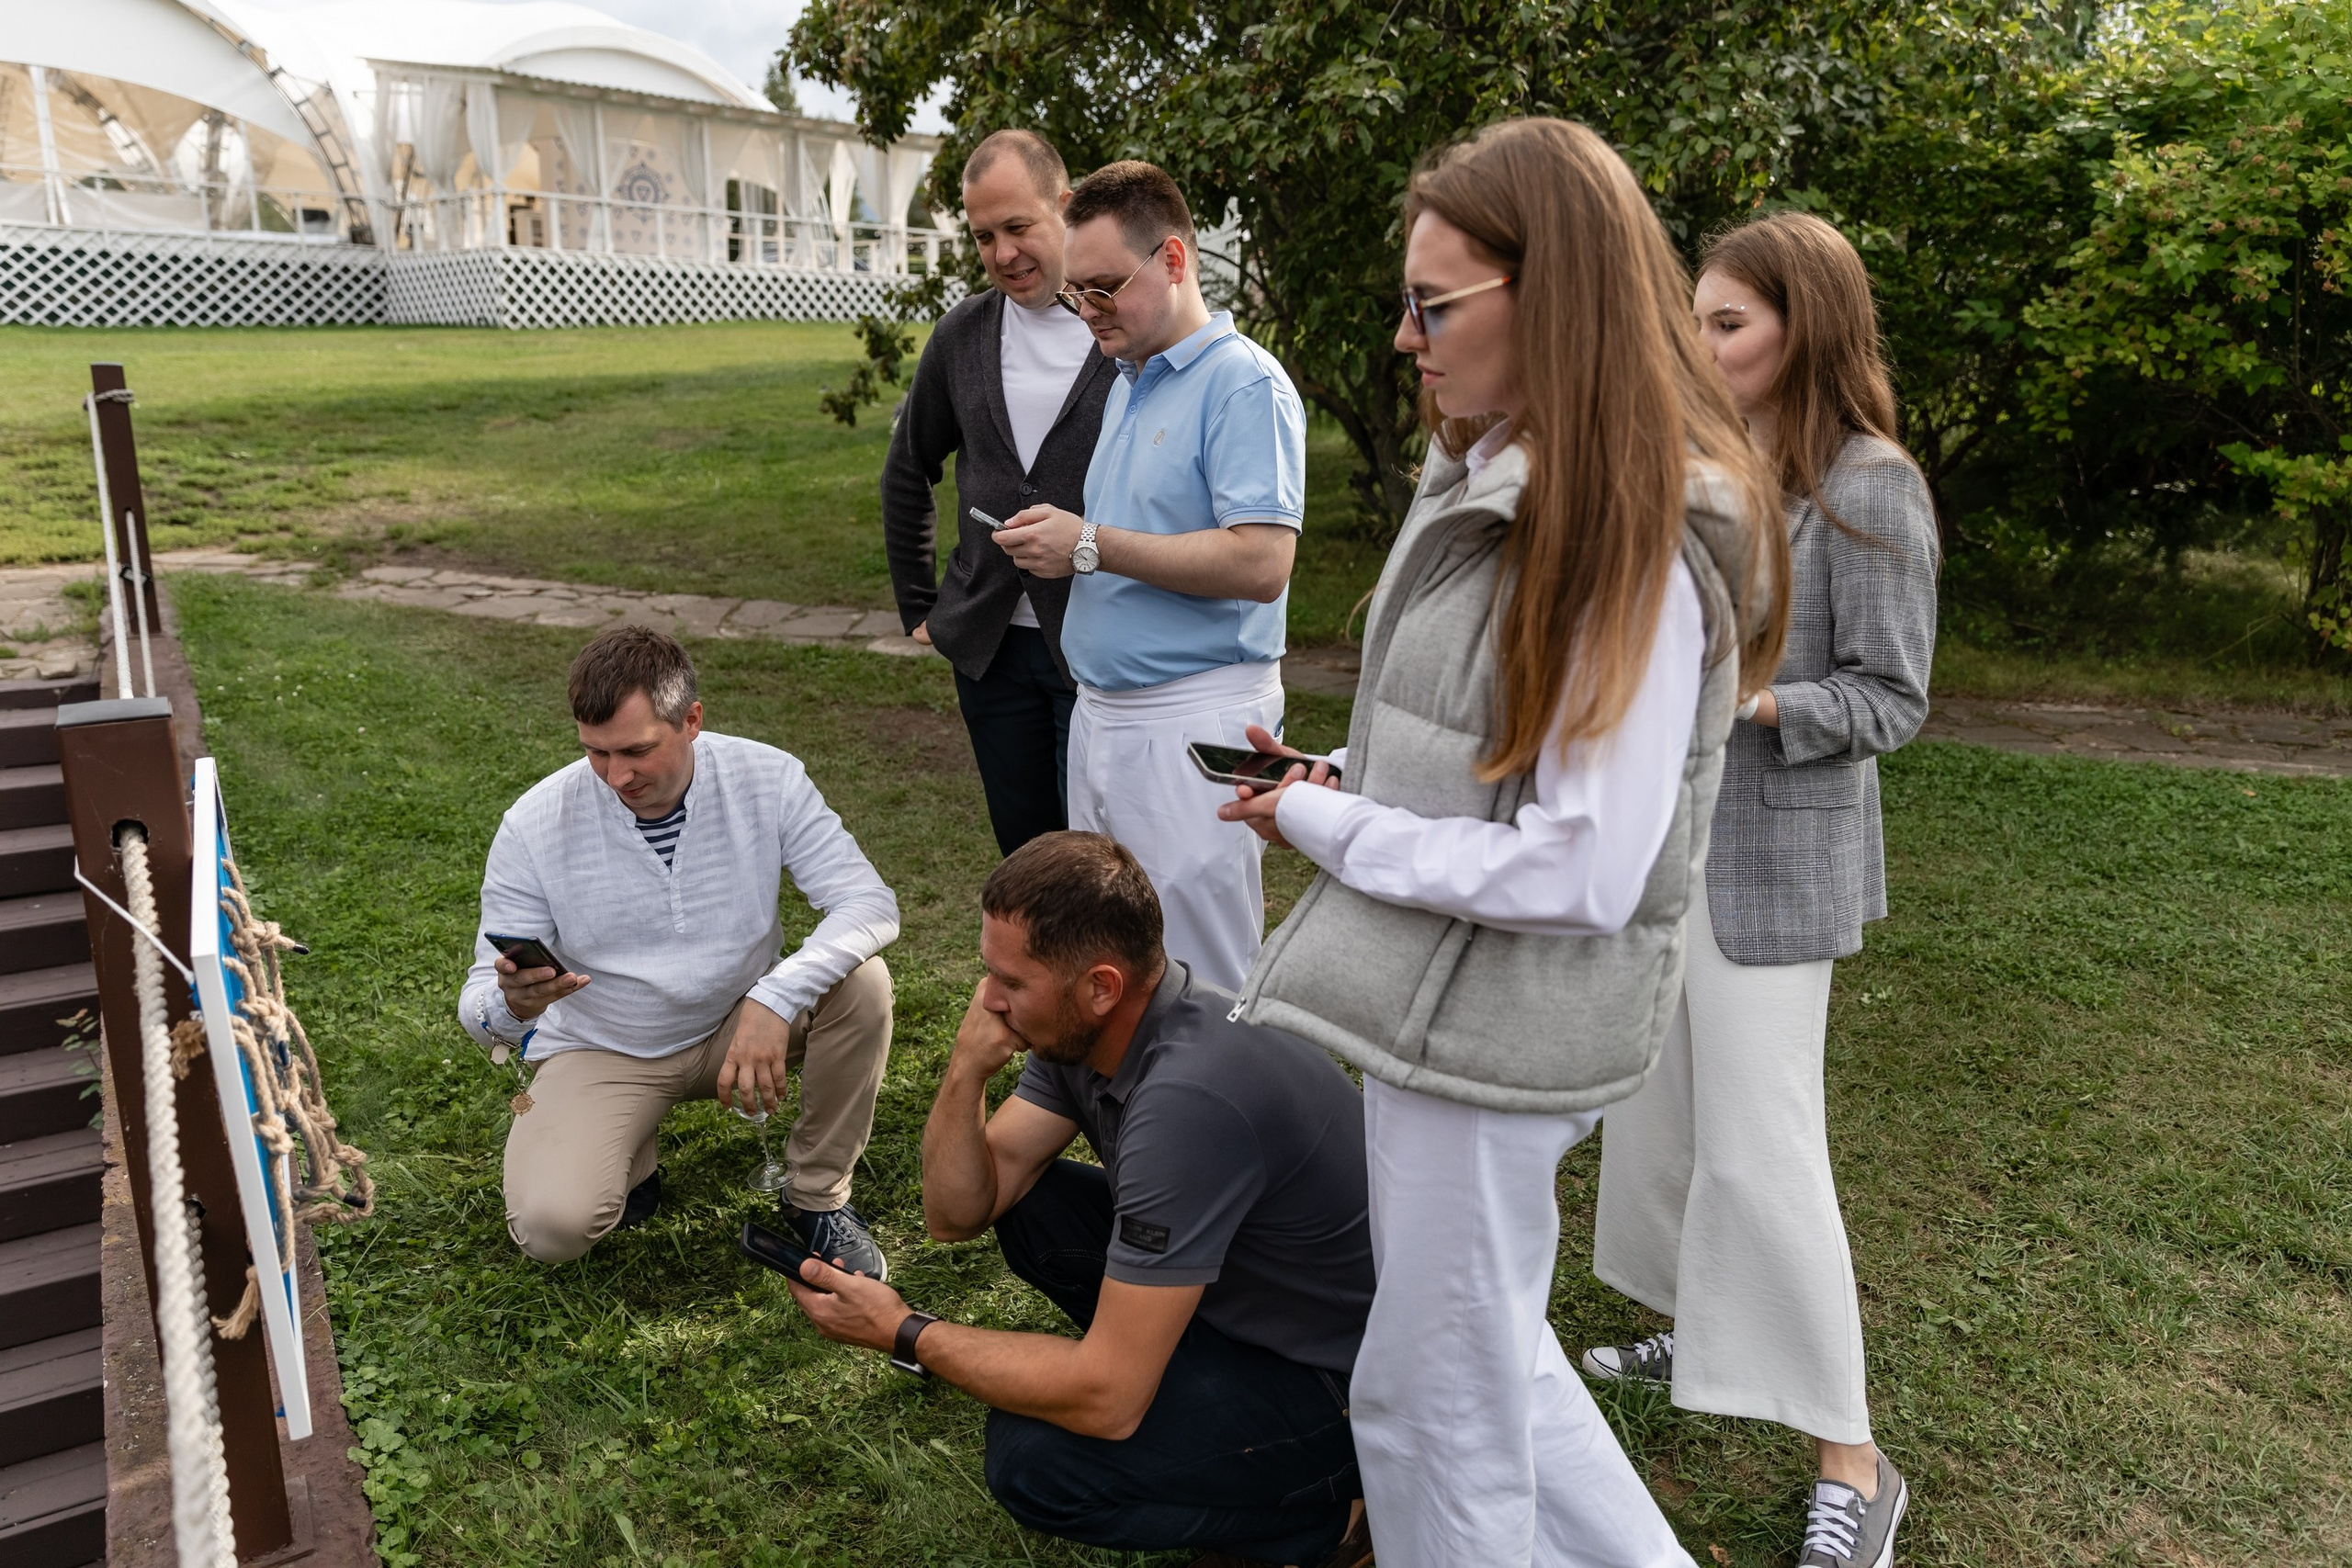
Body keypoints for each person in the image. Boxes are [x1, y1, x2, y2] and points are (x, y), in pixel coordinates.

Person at [1219, 118, 1787, 1568]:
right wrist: (1346, 773)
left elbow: (1581, 867)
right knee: (1492, 1362)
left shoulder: (1615, 532)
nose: (1408, 336)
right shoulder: (1524, 482)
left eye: (1437, 304)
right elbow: (1494, 752)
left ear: (1559, 296)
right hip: (1463, 1018)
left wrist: (1329, 821)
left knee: (1429, 1402)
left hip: (1493, 1038)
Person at [1584, 210, 1939, 1568]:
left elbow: (1894, 698)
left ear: (1808, 328)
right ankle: (1699, 1324)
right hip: (1671, 845)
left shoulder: (1872, 480)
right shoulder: (1708, 462)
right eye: (1700, 319)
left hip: (1776, 863)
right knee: (1659, 1111)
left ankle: (1854, 1454)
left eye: (1728, 322)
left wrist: (1757, 697)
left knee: (1761, 1144)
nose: (1703, 342)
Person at [777, 831, 1375, 1568]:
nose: (988, 1000)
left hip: (1350, 1385)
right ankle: (1212, 1408)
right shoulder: (1098, 1035)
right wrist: (966, 1070)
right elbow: (956, 1213)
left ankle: (1330, 1521)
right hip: (1254, 1304)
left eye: (1011, 983)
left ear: (1101, 985)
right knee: (1032, 1202)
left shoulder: (1187, 1100)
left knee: (1037, 1459)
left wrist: (905, 1330)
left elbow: (1108, 1398)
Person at [459, 625, 899, 1274]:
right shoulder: (533, 823)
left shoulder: (767, 776)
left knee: (863, 982)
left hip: (742, 1022)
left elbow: (868, 902)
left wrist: (774, 998)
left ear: (691, 720)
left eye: (637, 750)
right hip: (606, 1046)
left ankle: (817, 1194)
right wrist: (511, 1005)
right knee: (552, 1228)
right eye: (596, 753)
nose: (617, 775)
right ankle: (630, 1150)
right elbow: (476, 1007)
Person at [991, 160, 1306, 992]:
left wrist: (1088, 544)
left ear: (1173, 261)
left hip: (1195, 716)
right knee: (1111, 952)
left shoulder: (1244, 384)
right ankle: (1133, 1117)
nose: (1086, 310)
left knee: (1198, 958)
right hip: (1105, 715)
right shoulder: (1132, 378)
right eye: (1076, 292)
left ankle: (1218, 1117)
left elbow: (1262, 562)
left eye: (1103, 288)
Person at [883, 129, 1118, 856]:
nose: (1004, 254)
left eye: (1019, 227)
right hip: (990, 650)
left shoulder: (1121, 327)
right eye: (985, 236)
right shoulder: (963, 335)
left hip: (1100, 641)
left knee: (1096, 853)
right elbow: (907, 467)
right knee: (1027, 854)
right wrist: (921, 607)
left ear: (1066, 206)